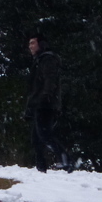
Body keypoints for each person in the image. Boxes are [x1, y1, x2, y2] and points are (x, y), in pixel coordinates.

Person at [25, 32, 69, 172]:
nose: (30, 46)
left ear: (41, 44)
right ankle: (41, 169)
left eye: (33, 43)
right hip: (40, 104)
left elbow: (50, 81)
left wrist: (45, 98)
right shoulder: (39, 60)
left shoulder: (48, 59)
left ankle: (66, 160)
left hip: (46, 104)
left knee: (44, 135)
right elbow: (35, 89)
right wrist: (29, 107)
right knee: (36, 138)